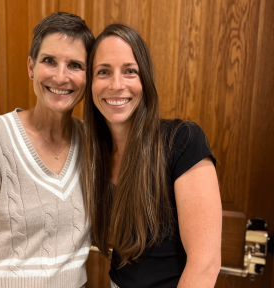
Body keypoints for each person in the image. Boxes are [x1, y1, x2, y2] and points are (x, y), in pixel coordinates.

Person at [0, 12, 95, 288]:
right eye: (49, 61)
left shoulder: (93, 145)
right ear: (31, 67)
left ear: (88, 77)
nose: (61, 77)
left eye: (75, 65)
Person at [82, 24, 222, 288]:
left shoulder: (183, 141)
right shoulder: (94, 154)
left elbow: (205, 265)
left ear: (144, 80)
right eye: (103, 72)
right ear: (91, 83)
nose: (116, 84)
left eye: (130, 71)